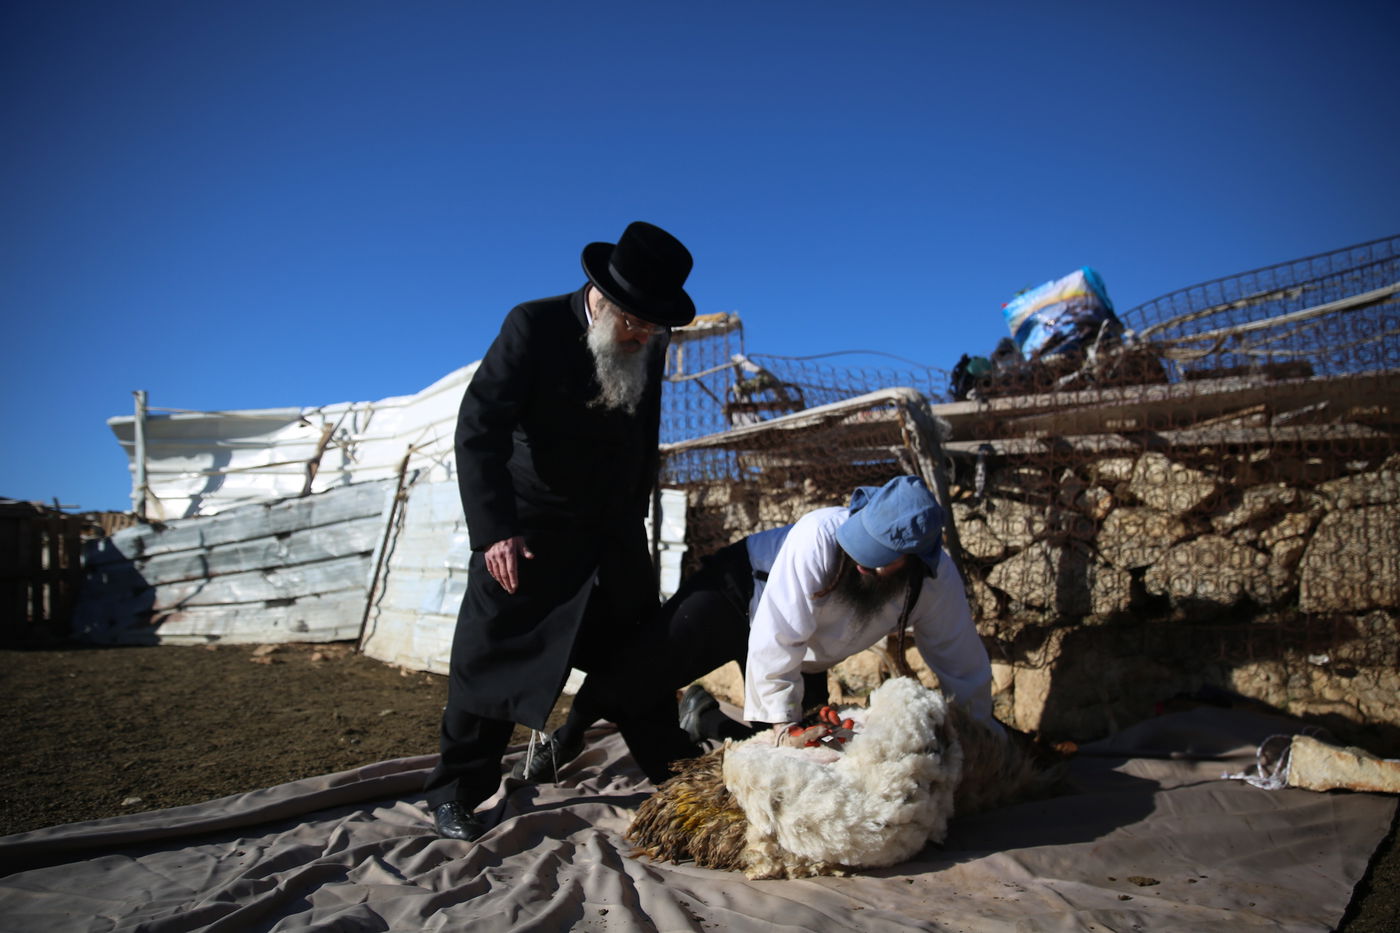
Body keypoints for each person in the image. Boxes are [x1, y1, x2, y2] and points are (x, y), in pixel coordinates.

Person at [425, 221, 696, 841]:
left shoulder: (646, 343)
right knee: (490, 664)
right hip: (527, 535)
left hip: (610, 537)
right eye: (638, 321)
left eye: (656, 325)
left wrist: (633, 523)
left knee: (639, 662)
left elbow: (643, 440)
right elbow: (479, 429)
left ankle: (675, 777)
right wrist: (494, 531)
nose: (646, 334)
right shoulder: (533, 326)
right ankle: (456, 792)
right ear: (605, 299)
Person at [520, 474, 997, 786]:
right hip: (736, 593)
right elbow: (778, 632)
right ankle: (570, 734)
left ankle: (705, 718)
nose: (860, 563)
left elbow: (960, 658)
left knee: (817, 750)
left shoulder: (936, 584)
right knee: (636, 677)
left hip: (804, 648)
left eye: (877, 561)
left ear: (913, 563)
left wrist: (980, 736)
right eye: (859, 546)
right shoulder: (819, 535)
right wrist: (781, 728)